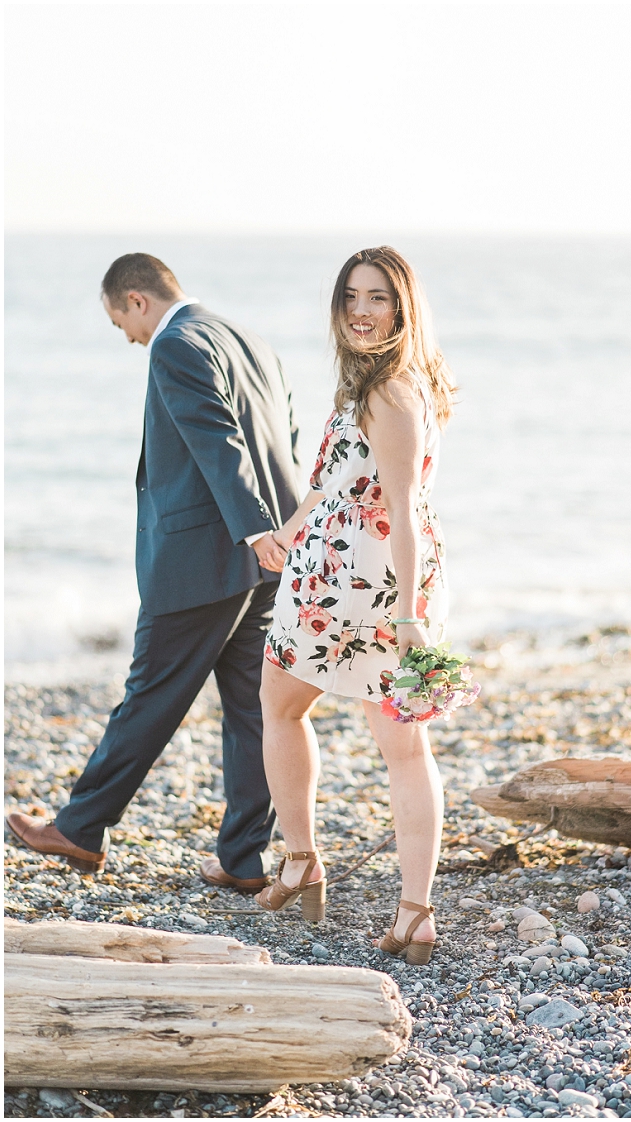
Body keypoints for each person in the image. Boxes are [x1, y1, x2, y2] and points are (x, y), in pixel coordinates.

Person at [6, 254, 299, 891]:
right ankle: (243, 859)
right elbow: (287, 438)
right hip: (273, 553)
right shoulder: (249, 341)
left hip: (211, 555)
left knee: (152, 692)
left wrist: (251, 527)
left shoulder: (175, 344)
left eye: (122, 325)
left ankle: (79, 829)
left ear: (137, 300)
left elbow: (216, 436)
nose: (130, 339)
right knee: (252, 708)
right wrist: (281, 531)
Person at [256, 246, 455, 964]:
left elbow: (401, 510)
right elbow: (332, 485)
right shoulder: (369, 386)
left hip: (358, 585)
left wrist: (408, 619)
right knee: (382, 737)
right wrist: (284, 533)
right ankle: (401, 908)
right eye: (351, 298)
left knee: (302, 712)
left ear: (402, 308)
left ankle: (321, 866)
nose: (362, 312)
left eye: (377, 298)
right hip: (340, 572)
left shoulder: (390, 393)